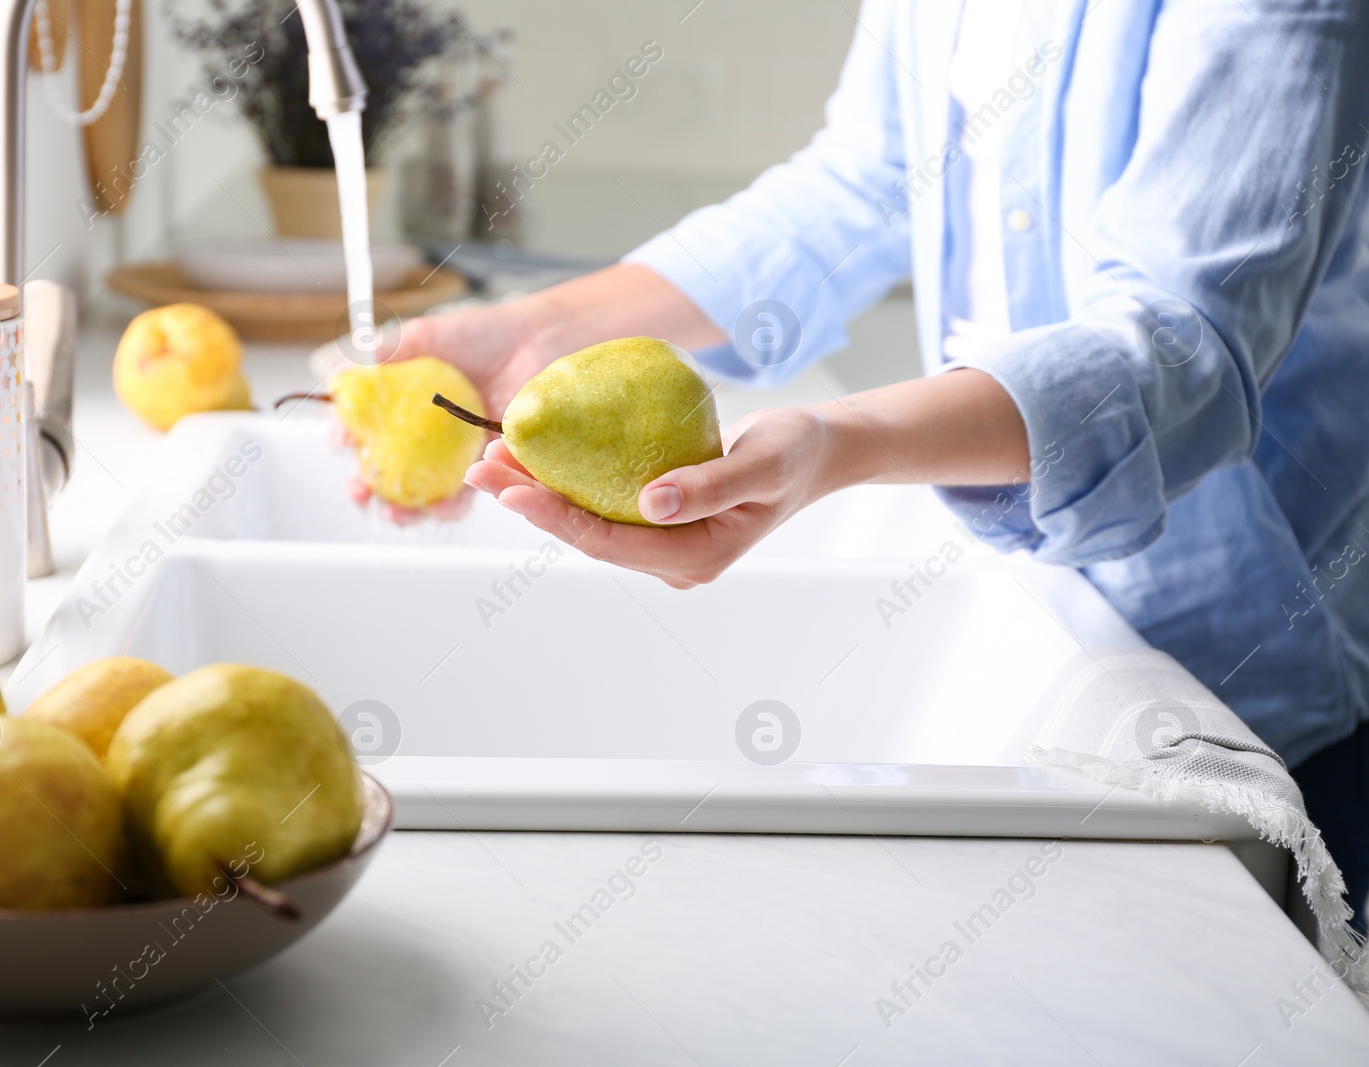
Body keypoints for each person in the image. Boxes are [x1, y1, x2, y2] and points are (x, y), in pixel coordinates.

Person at [368, 2, 1369, 918]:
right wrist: (535, 328)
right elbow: (863, 186)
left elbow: (1180, 346)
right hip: (1034, 632)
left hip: (1255, 688)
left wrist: (839, 443)